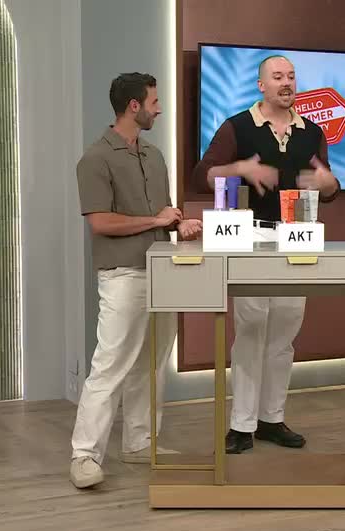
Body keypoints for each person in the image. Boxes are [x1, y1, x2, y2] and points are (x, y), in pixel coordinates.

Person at [193, 55, 341, 454]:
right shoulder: (238, 127)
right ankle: (241, 424)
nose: (286, 83)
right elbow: (201, 175)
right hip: (252, 240)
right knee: (251, 330)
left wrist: (328, 183)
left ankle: (271, 419)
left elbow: (328, 186)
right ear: (261, 86)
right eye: (277, 77)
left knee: (284, 334)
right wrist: (240, 168)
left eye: (291, 76)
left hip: (298, 241)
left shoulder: (311, 132)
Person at [71, 72, 202, 489]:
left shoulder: (155, 155)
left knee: (152, 364)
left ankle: (140, 443)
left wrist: (178, 224)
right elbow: (101, 223)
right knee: (110, 365)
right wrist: (156, 220)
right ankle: (84, 455)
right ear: (133, 106)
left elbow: (162, 213)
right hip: (123, 274)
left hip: (163, 272)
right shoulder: (95, 159)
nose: (159, 108)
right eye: (154, 101)